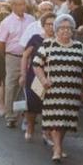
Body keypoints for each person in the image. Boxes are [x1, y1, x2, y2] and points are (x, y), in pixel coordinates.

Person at [33, 14, 83, 161]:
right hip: (53, 90)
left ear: (73, 30)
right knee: (55, 120)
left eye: (68, 28)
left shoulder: (80, 47)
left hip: (72, 92)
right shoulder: (48, 45)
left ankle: (57, 145)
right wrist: (43, 79)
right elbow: (36, 64)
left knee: (66, 120)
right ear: (56, 30)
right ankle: (57, 149)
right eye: (61, 28)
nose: (65, 31)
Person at [0, 0, 35, 128]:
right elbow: (0, 43)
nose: (22, 7)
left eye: (23, 4)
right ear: (13, 6)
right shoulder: (6, 22)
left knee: (29, 85)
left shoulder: (31, 19)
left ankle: (27, 115)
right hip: (13, 56)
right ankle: (10, 116)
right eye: (19, 4)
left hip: (29, 57)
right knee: (11, 85)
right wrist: (7, 55)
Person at [21, 12, 56, 142]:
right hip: (34, 76)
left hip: (51, 77)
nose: (51, 27)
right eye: (48, 24)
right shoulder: (36, 38)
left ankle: (46, 132)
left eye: (53, 24)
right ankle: (30, 127)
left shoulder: (58, 41)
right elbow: (25, 56)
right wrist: (23, 74)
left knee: (48, 106)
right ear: (43, 25)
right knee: (32, 104)